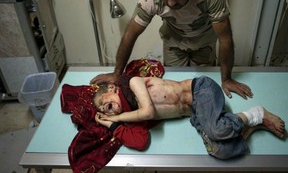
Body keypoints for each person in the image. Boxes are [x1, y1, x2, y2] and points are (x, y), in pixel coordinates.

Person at [90, 0, 253, 100]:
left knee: (204, 86)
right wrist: (117, 73)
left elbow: (225, 39)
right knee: (174, 88)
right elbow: (130, 35)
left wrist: (227, 79)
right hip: (174, 42)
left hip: (204, 42)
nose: (171, 3)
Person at [94, 75, 286, 159]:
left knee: (217, 130)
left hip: (201, 89)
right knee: (217, 150)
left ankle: (257, 113)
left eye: (106, 103)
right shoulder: (130, 116)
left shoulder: (134, 83)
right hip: (197, 112)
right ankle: (250, 125)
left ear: (112, 88)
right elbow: (140, 141)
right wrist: (112, 126)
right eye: (106, 111)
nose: (109, 110)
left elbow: (149, 112)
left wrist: (118, 119)